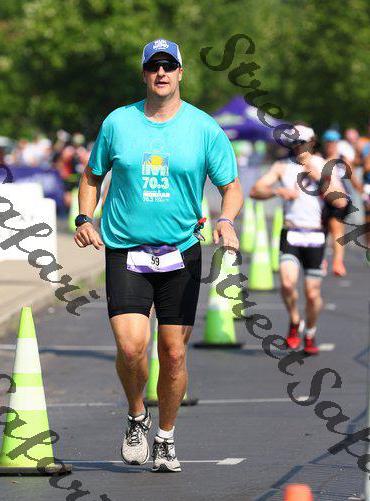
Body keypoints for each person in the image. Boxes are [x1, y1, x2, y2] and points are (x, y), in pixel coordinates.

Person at [74, 39, 243, 472]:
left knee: (173, 353)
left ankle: (165, 437)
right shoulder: (118, 122)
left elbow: (230, 186)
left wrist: (226, 220)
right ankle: (137, 415)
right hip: (126, 248)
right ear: (144, 74)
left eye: (169, 66)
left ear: (181, 72)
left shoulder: (204, 128)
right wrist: (84, 218)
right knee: (132, 347)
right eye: (154, 67)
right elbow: (92, 176)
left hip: (180, 252)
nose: (161, 73)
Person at [250, 124, 347, 354]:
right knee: (286, 283)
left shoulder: (324, 165)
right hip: (291, 232)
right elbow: (255, 190)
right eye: (293, 143)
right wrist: (277, 191)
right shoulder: (282, 166)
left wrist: (319, 179)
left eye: (301, 143)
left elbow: (341, 201)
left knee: (312, 294)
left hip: (315, 235)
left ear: (312, 142)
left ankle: (310, 332)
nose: (297, 148)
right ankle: (295, 320)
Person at [321, 129, 362, 276]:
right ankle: (321, 260)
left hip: (340, 200)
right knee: (321, 230)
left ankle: (337, 262)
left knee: (336, 229)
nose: (330, 145)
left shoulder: (342, 160)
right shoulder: (320, 159)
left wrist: (361, 192)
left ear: (337, 143)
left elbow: (353, 179)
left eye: (333, 142)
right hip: (322, 199)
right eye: (328, 143)